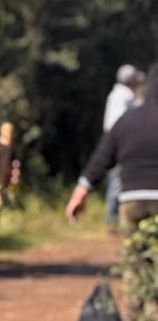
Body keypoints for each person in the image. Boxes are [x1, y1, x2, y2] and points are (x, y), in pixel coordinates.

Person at [67, 63, 158, 234]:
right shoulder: (125, 100)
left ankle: (130, 249)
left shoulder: (126, 120)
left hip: (132, 200)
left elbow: (101, 157)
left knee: (135, 250)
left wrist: (81, 191)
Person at [101, 64, 145, 230]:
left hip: (116, 144)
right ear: (131, 81)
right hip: (119, 146)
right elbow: (119, 124)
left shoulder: (117, 95)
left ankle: (116, 219)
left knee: (117, 181)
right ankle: (112, 220)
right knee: (117, 182)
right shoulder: (124, 96)